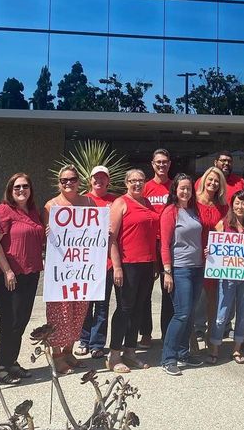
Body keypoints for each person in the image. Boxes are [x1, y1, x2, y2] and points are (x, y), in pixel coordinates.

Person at [0, 172, 45, 385]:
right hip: (8, 276)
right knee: (9, 320)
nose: (21, 190)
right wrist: (7, 271)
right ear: (10, 190)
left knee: (21, 320)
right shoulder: (2, 211)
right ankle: (2, 367)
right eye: (17, 187)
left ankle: (12, 362)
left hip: (30, 273)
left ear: (30, 190)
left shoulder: (33, 212)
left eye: (25, 186)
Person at [43, 165, 96, 376]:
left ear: (79, 181)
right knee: (59, 312)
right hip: (60, 268)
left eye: (72, 179)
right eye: (64, 180)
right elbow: (44, 238)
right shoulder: (51, 206)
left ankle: (69, 351)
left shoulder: (88, 202)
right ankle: (57, 356)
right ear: (59, 182)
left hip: (81, 268)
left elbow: (93, 232)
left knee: (79, 311)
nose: (68, 183)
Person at [107, 168, 159, 373]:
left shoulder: (147, 204)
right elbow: (111, 238)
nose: (137, 184)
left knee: (139, 309)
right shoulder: (121, 203)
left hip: (147, 264)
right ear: (126, 183)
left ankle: (130, 351)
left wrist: (154, 263)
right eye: (133, 181)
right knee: (125, 309)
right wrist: (117, 266)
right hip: (127, 265)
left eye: (141, 180)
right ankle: (114, 354)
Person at [159, 174, 205, 376]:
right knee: (181, 313)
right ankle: (168, 357)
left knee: (191, 313)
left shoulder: (194, 211)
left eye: (188, 188)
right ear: (175, 190)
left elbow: (197, 239)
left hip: (197, 268)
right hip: (179, 269)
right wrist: (167, 271)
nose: (185, 192)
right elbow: (164, 245)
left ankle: (183, 353)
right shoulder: (170, 212)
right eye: (182, 188)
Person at [207, 190, 244, 365]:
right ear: (232, 204)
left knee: (243, 314)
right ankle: (214, 347)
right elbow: (215, 247)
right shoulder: (223, 224)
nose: (240, 207)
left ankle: (237, 349)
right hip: (227, 277)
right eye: (237, 203)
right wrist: (210, 251)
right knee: (222, 314)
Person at [78, 166, 118, 359]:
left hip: (107, 262)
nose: (99, 181)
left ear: (108, 181)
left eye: (103, 178)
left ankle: (97, 344)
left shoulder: (115, 201)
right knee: (85, 303)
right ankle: (84, 341)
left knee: (102, 306)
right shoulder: (82, 200)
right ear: (90, 180)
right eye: (96, 178)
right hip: (85, 262)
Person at [141, 148, 175, 349]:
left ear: (169, 164)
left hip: (169, 245)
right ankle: (145, 332)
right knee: (144, 292)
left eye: (165, 162)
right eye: (158, 162)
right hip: (148, 244)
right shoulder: (145, 188)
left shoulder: (174, 187)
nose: (161, 165)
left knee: (168, 290)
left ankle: (166, 333)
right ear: (152, 164)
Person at [195, 166, 228, 342]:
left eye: (217, 181)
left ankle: (211, 334)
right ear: (203, 180)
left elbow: (226, 230)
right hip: (194, 254)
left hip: (214, 258)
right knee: (193, 297)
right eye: (210, 179)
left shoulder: (223, 206)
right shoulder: (193, 201)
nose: (213, 183)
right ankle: (192, 337)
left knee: (211, 297)